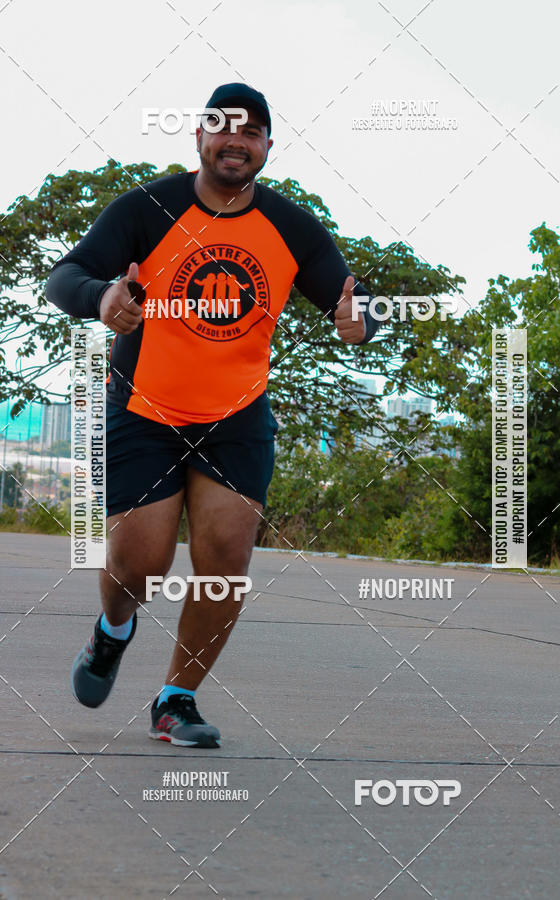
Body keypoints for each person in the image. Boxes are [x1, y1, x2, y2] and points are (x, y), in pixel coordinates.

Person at [46, 82, 380, 748]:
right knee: (137, 564)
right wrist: (104, 295)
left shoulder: (289, 224)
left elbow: (351, 294)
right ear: (198, 137)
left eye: (251, 132)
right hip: (145, 409)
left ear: (267, 148)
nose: (236, 141)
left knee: (226, 561)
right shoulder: (148, 209)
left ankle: (178, 699)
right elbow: (66, 275)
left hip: (236, 420)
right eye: (223, 128)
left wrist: (359, 319)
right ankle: (113, 629)